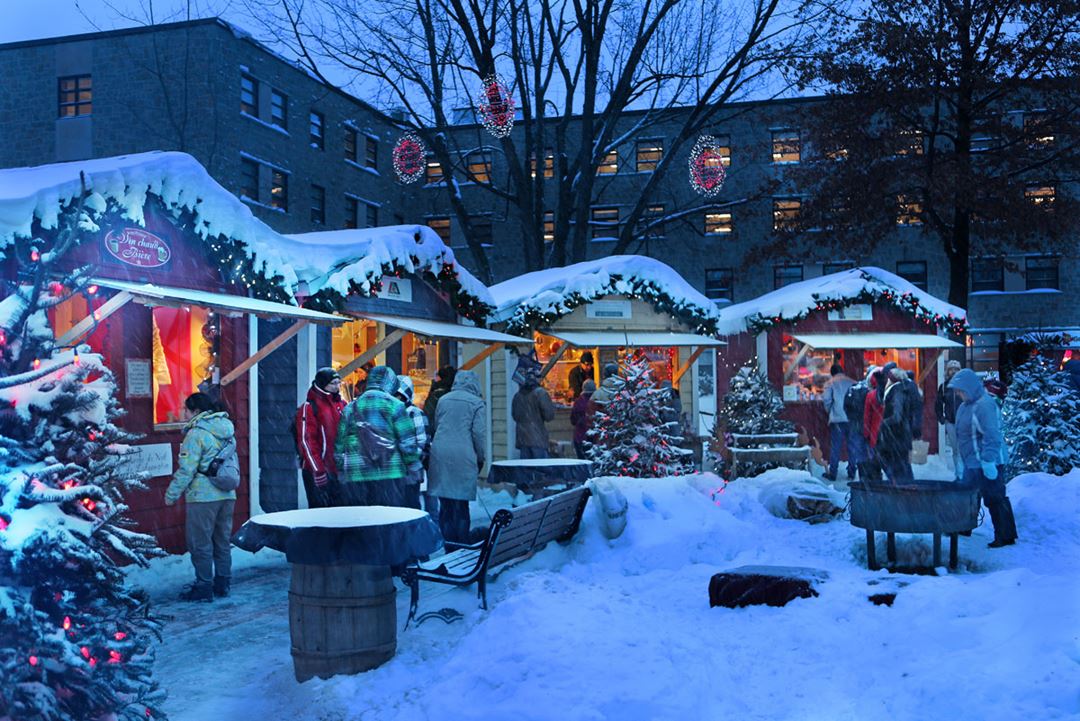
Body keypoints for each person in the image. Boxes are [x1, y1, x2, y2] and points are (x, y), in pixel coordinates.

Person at [164, 393, 237, 602]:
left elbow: (187, 470)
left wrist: (171, 494)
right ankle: (223, 583)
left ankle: (203, 586)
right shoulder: (227, 430)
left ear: (196, 411)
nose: (184, 413)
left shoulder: (196, 434)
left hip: (203, 496)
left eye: (186, 410)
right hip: (227, 493)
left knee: (200, 543)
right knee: (222, 541)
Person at [335, 366, 419, 508]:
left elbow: (340, 443)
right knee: (388, 520)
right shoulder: (396, 406)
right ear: (391, 383)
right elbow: (407, 442)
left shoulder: (350, 408)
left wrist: (340, 468)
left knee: (361, 521)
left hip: (357, 473)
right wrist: (413, 465)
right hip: (389, 473)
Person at [952, 368, 1018, 548]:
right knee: (968, 494)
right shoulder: (965, 406)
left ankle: (1005, 535)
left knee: (994, 497)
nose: (958, 394)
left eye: (960, 390)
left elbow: (992, 435)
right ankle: (964, 526)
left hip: (989, 461)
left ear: (969, 388)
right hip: (972, 462)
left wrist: (989, 461)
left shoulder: (984, 405)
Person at [427, 370, 487, 544]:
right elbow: (478, 434)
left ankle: (448, 542)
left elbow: (437, 425)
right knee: (461, 505)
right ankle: (461, 544)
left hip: (440, 454)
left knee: (445, 504)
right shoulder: (476, 403)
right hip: (464, 454)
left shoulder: (443, 400)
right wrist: (480, 457)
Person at [295, 367, 346, 508]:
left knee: (340, 513)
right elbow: (307, 441)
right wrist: (318, 470)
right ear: (323, 384)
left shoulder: (341, 405)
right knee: (319, 512)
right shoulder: (309, 407)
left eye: (338, 383)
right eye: (333, 383)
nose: (337, 387)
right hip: (317, 470)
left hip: (337, 469)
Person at [396, 374, 429, 510]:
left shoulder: (415, 413)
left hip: (410, 470)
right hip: (391, 471)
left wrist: (410, 458)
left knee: (410, 506)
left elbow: (422, 442)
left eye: (398, 395)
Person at [878, 365, 914, 484]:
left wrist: (883, 423)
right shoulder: (905, 388)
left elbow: (897, 416)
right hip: (903, 433)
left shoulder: (897, 391)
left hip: (897, 434)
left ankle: (903, 487)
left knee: (899, 464)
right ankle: (907, 486)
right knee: (903, 463)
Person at [822, 363, 856, 482]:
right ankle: (852, 472)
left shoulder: (830, 383)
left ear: (832, 373)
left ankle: (833, 473)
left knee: (835, 447)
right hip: (851, 419)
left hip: (837, 419)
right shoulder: (852, 382)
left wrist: (830, 411)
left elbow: (826, 400)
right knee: (852, 446)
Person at [512, 370, 555, 459]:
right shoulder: (540, 393)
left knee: (526, 470)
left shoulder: (517, 395)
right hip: (538, 438)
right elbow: (549, 416)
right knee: (541, 469)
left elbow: (515, 416)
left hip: (522, 439)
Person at [843, 366, 876, 481]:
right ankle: (871, 475)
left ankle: (854, 470)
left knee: (855, 449)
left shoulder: (854, 388)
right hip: (868, 425)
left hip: (854, 424)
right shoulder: (872, 391)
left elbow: (845, 405)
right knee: (869, 450)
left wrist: (851, 418)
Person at [936, 360, 963, 481]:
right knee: (955, 449)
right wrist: (941, 418)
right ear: (947, 371)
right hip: (950, 422)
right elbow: (937, 404)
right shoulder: (943, 387)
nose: (954, 371)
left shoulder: (963, 385)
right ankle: (959, 474)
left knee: (964, 448)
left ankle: (966, 475)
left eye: (956, 369)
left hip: (964, 422)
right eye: (951, 369)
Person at [570, 379, 597, 459]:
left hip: (580, 436)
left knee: (582, 460)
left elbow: (573, 420)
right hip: (594, 436)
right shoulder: (596, 401)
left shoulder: (578, 401)